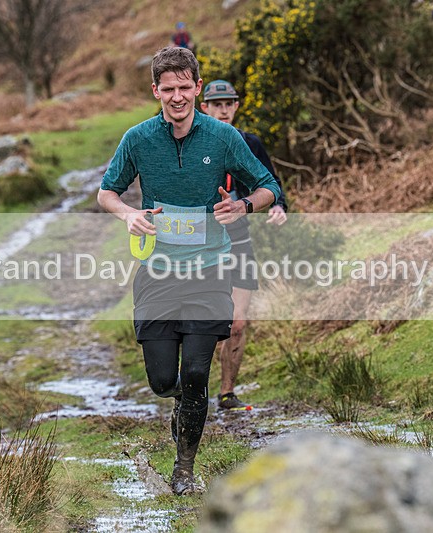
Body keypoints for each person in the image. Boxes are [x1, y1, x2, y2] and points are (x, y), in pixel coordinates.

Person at [97, 47, 280, 495]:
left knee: (197, 373)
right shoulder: (138, 139)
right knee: (165, 381)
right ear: (155, 91)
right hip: (158, 273)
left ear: (197, 88)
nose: (177, 97)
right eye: (168, 89)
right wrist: (128, 215)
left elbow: (269, 187)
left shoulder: (222, 138)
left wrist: (242, 205)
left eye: (185, 88)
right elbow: (107, 192)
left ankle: (184, 469)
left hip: (211, 271)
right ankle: (181, 403)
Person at [200, 79, 288, 411]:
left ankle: (226, 394)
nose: (223, 109)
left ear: (236, 106)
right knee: (201, 324)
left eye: (229, 103)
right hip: (200, 245)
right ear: (204, 107)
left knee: (237, 323)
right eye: (216, 104)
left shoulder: (251, 144)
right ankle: (191, 393)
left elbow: (272, 184)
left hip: (239, 241)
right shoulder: (192, 143)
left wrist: (278, 206)